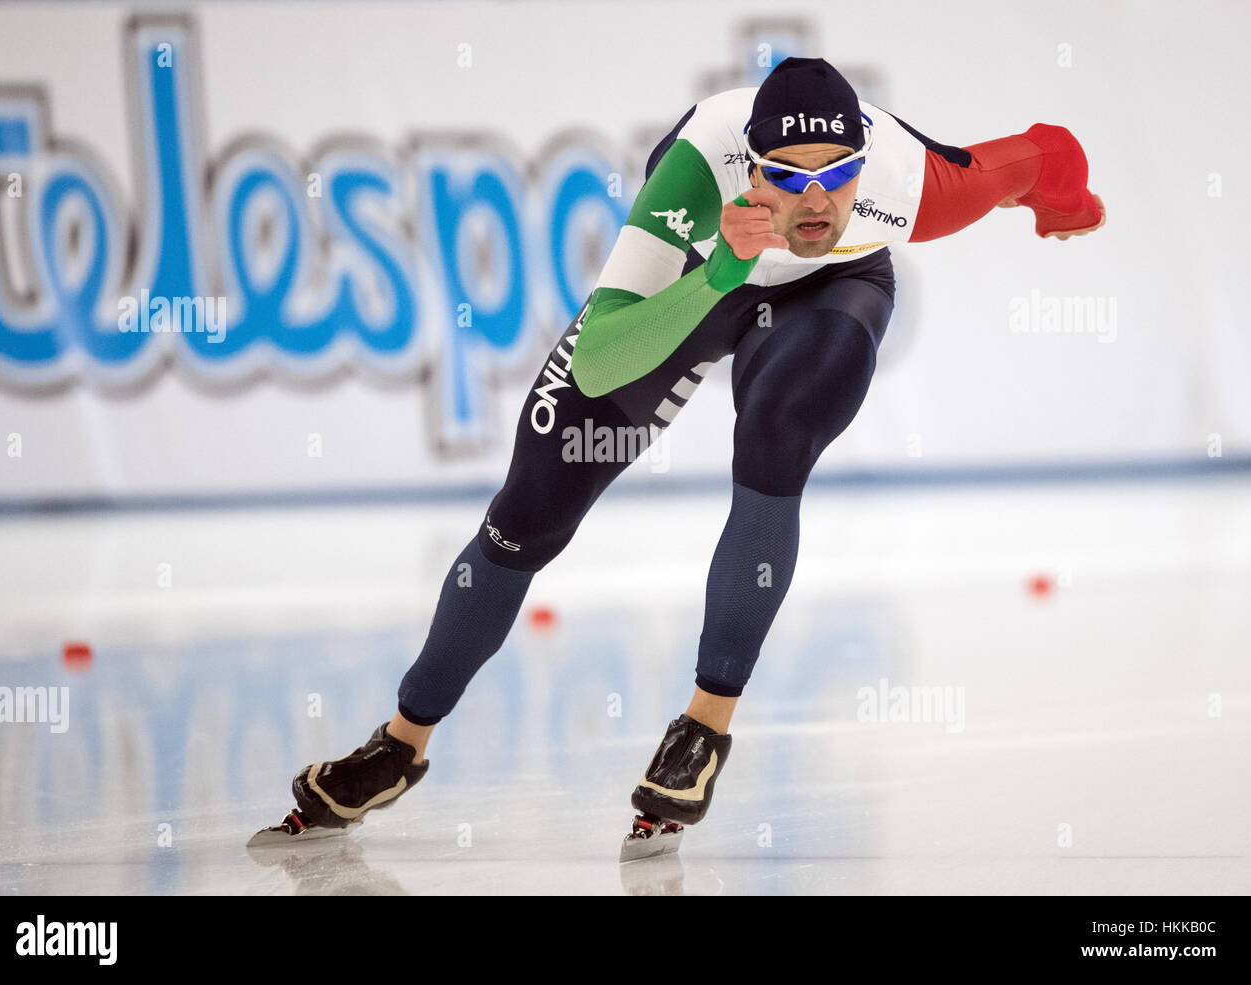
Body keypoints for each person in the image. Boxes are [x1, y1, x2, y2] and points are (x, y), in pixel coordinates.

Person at [275, 57, 1106, 841]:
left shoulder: (912, 182)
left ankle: (704, 730)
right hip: (703, 278)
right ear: (751, 169)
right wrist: (716, 274)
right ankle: (400, 742)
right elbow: (601, 359)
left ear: (864, 162)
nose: (815, 203)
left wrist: (1065, 203)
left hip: (833, 293)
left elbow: (1044, 154)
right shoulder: (694, 174)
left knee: (778, 430)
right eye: (787, 177)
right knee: (527, 513)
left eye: (836, 174)